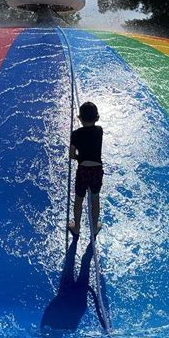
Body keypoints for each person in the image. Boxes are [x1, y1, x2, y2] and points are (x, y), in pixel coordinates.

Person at [68, 101, 103, 237]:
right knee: (95, 199)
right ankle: (94, 227)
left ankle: (76, 227)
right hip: (97, 170)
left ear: (79, 118)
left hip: (83, 170)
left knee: (79, 199)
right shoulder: (99, 131)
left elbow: (71, 155)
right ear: (97, 118)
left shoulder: (75, 134)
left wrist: (79, 158)